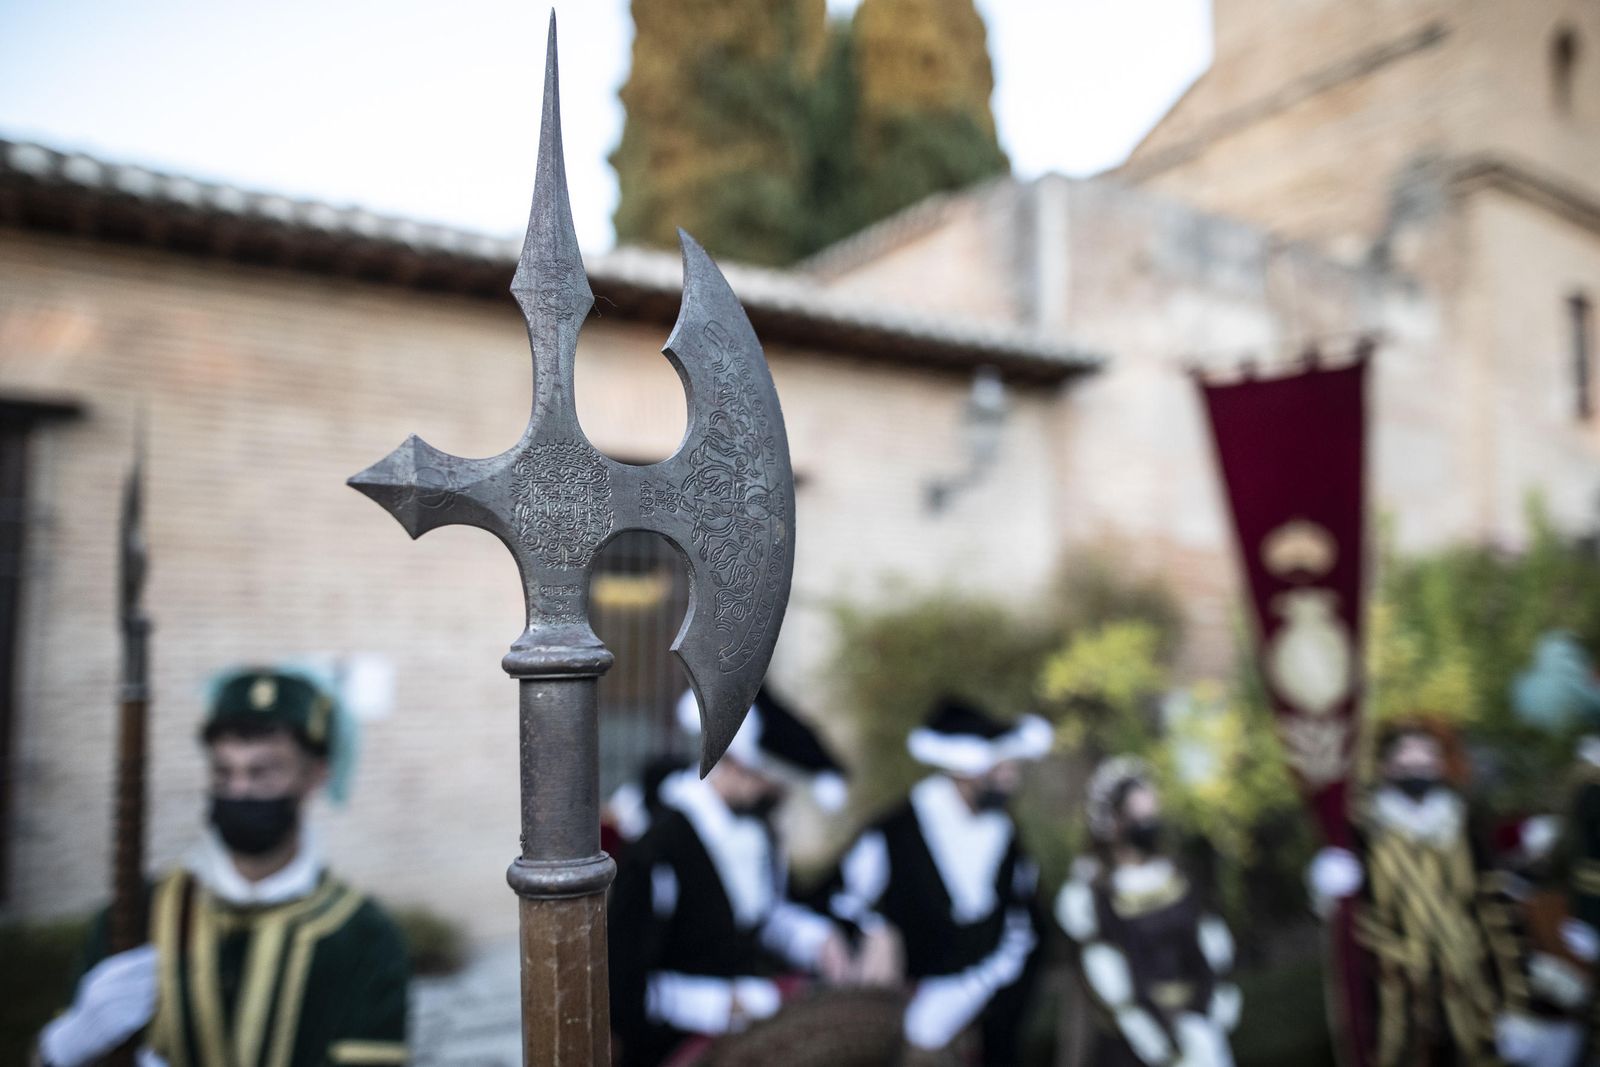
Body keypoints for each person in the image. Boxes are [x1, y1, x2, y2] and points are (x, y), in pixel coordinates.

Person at [37, 668, 410, 1067]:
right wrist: (62, 1048)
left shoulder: (364, 937)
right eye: (223, 772)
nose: (239, 791)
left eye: (262, 772)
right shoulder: (139, 912)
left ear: (315, 774)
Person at [607, 686, 853, 1067]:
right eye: (769, 788)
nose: (777, 801)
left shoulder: (760, 832)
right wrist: (725, 1003)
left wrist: (816, 939)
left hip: (750, 1032)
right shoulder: (658, 846)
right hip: (672, 1045)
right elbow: (625, 983)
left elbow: (762, 916)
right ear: (738, 767)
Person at [828, 696, 1051, 1064]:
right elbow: (842, 897)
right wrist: (876, 930)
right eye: (1000, 765)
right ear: (964, 766)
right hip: (903, 1008)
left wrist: (975, 987)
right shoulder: (897, 830)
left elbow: (1024, 923)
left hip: (988, 1005)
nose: (1011, 777)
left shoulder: (1006, 834)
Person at [1310, 721, 1534, 1067]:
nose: (1418, 767)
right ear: (1384, 767)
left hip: (1471, 992)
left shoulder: (1465, 822)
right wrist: (1327, 885)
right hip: (1396, 1001)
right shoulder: (1362, 832)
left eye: (1426, 758)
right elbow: (1347, 923)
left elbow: (1495, 913)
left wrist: (1516, 1004)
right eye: (1406, 759)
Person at [1054, 756, 1240, 1067]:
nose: (1151, 820)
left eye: (1153, 809)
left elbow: (1209, 948)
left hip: (1201, 1027)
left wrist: (1208, 1013)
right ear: (1114, 822)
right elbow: (1103, 974)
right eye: (1140, 813)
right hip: (1137, 1045)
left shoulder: (1179, 875)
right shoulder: (1095, 895)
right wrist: (1149, 1034)